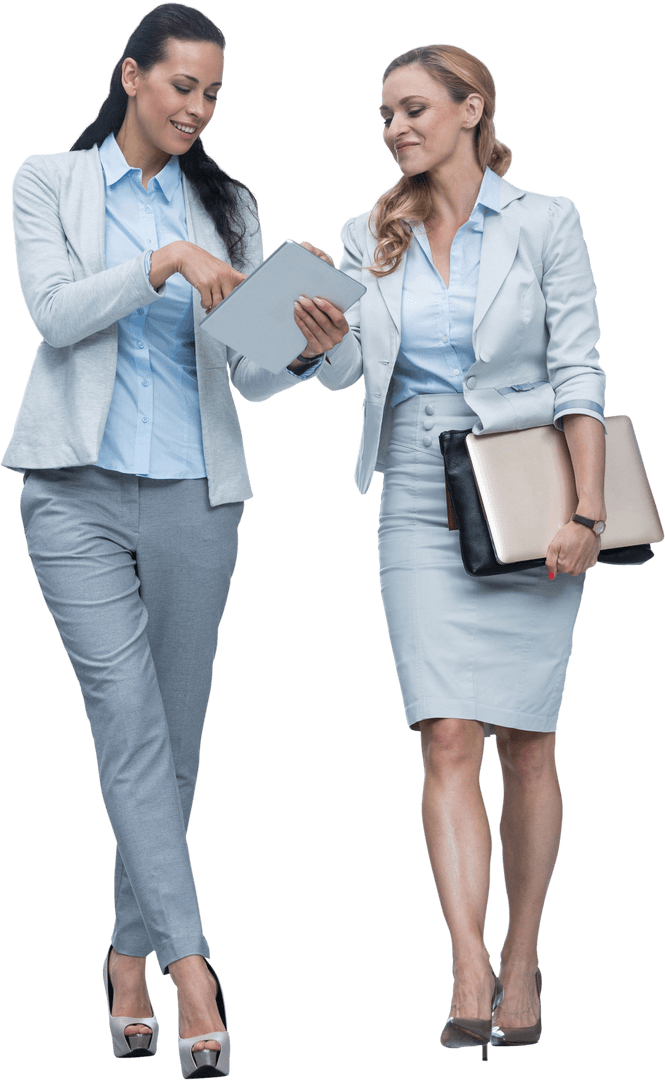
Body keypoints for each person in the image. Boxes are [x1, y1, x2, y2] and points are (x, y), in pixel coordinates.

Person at [2, 5, 326, 1078]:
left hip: (197, 493)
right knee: (128, 720)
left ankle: (122, 960)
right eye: (180, 85)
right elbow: (51, 314)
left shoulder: (227, 204)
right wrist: (161, 264)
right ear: (129, 76)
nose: (195, 108)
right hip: (74, 495)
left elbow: (247, 369)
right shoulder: (49, 180)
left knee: (174, 749)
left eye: (212, 94)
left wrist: (310, 345)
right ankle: (195, 970)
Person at [294, 43, 607, 1057]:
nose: (395, 128)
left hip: (523, 488)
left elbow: (577, 372)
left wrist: (587, 514)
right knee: (444, 736)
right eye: (384, 113)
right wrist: (310, 336)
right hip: (412, 493)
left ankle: (522, 958)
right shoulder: (365, 232)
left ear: (472, 110)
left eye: (415, 107)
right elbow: (347, 373)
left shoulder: (545, 218)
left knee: (526, 742)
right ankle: (468, 962)